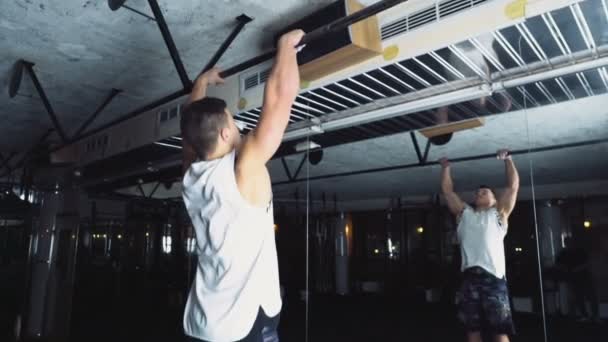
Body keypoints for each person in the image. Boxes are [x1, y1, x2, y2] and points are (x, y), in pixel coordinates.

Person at [179, 29, 304, 342]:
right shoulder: (243, 166)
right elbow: (279, 99)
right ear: (224, 135)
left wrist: (201, 85)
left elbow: (192, 131)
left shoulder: (191, 174)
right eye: (232, 121)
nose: (237, 124)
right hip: (242, 326)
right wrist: (286, 46)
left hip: (204, 322)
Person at [440, 149, 519, 342]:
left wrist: (508, 160)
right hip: (469, 278)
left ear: (494, 199)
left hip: (493, 278)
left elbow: (512, 187)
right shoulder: (464, 213)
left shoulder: (499, 214)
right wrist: (446, 168)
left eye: (484, 192)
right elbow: (448, 192)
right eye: (477, 193)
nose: (479, 194)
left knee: (499, 331)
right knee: (472, 329)